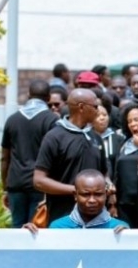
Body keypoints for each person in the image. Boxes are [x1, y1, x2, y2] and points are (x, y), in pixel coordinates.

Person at [34, 88, 109, 224]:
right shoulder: (54, 137)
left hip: (96, 221)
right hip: (63, 217)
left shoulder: (95, 138)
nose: (98, 110)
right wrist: (77, 191)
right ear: (81, 107)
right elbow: (39, 181)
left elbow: (104, 173)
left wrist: (108, 185)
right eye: (95, 106)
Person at [1, 79, 59, 227]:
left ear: (28, 95)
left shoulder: (12, 120)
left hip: (16, 183)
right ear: (48, 98)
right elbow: (56, 157)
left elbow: (5, 158)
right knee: (37, 228)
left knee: (17, 228)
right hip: (40, 185)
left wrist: (5, 187)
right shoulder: (52, 120)